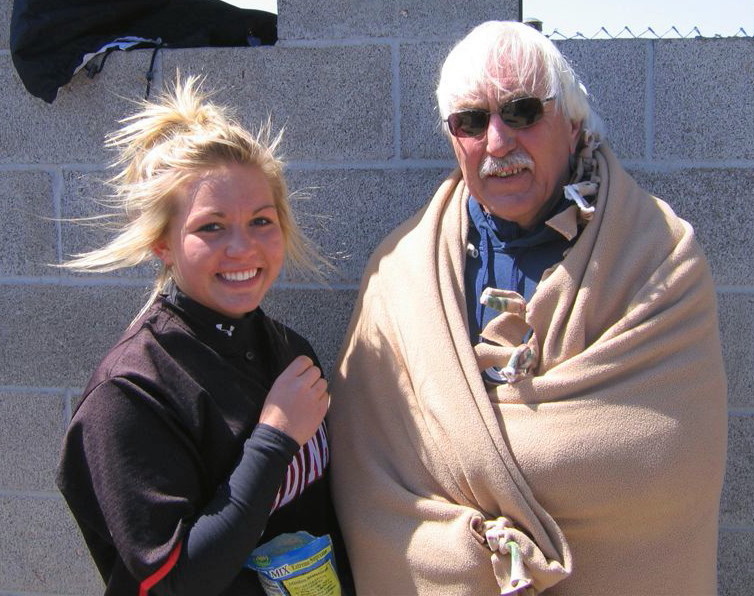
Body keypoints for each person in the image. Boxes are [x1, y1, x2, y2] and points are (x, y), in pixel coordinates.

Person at [328, 20, 727, 595]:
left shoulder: (659, 256)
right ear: (453, 139)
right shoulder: (400, 271)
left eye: (521, 111)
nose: (497, 142)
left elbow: (663, 458)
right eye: (471, 122)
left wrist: (482, 469)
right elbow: (368, 466)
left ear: (572, 123)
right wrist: (473, 551)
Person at [56, 76, 352, 595]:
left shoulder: (290, 352)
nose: (243, 247)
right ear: (162, 243)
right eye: (211, 227)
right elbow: (178, 582)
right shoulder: (129, 392)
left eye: (261, 221)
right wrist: (275, 438)